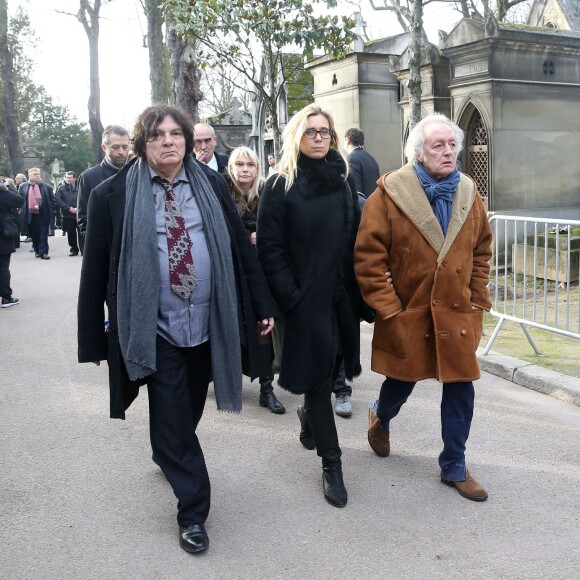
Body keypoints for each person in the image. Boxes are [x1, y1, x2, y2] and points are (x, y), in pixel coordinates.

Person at [77, 105, 276, 554]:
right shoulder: (112, 194)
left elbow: (240, 252)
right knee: (170, 412)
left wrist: (262, 304)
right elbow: (95, 270)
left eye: (175, 134)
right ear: (143, 145)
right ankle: (193, 511)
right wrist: (92, 334)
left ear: (187, 140)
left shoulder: (209, 184)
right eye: (157, 135)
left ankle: (168, 449)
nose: (168, 141)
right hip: (155, 327)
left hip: (208, 322)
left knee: (185, 409)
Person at [354, 112, 492, 502]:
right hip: (410, 309)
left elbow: (481, 251)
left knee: (461, 387)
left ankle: (454, 465)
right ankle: (381, 415)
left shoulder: (469, 192)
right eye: (438, 145)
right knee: (403, 380)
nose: (448, 152)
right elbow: (369, 259)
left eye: (452, 145)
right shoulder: (388, 195)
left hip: (457, 310)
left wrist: (478, 299)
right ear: (418, 152)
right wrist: (389, 308)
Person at [257, 104, 362, 508]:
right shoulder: (280, 184)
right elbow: (269, 247)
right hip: (304, 302)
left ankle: (308, 420)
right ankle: (332, 464)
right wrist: (291, 296)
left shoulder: (342, 180)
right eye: (311, 132)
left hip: (341, 298)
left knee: (335, 367)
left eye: (325, 132)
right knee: (319, 381)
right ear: (296, 137)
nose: (319, 138)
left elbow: (352, 239)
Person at [225, 146, 285, 414]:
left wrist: (264, 238)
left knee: (264, 329)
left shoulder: (267, 194)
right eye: (239, 164)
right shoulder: (222, 194)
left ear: (258, 168)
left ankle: (266, 388)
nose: (245, 169)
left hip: (262, 274)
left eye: (249, 164)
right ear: (231, 168)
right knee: (230, 328)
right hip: (232, 273)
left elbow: (282, 229)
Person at [77, 125, 130, 254]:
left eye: (125, 147)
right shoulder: (89, 177)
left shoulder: (138, 174)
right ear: (104, 147)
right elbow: (83, 219)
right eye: (115, 147)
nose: (121, 152)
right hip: (105, 250)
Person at [19, 167, 53, 260]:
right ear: (29, 175)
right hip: (30, 215)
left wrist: (52, 210)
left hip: (43, 214)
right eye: (35, 174)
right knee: (34, 234)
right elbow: (20, 200)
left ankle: (44, 252)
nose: (37, 176)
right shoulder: (23, 186)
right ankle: (37, 250)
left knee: (43, 234)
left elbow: (52, 199)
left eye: (38, 174)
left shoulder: (46, 186)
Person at [0, 180, 24, 307]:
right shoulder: (3, 193)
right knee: (3, 266)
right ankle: (6, 297)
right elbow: (19, 200)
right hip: (2, 233)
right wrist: (5, 188)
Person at [344, 128, 381, 199]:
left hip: (363, 207)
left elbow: (356, 192)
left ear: (348, 140)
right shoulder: (371, 158)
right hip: (374, 204)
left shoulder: (351, 159)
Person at [55, 171, 80, 256]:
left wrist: (78, 208)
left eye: (70, 178)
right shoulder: (61, 188)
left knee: (82, 233)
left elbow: (85, 197)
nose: (68, 179)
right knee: (71, 233)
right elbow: (58, 200)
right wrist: (69, 208)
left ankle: (84, 249)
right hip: (68, 215)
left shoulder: (80, 186)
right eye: (66, 177)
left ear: (74, 178)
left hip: (80, 213)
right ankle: (74, 249)